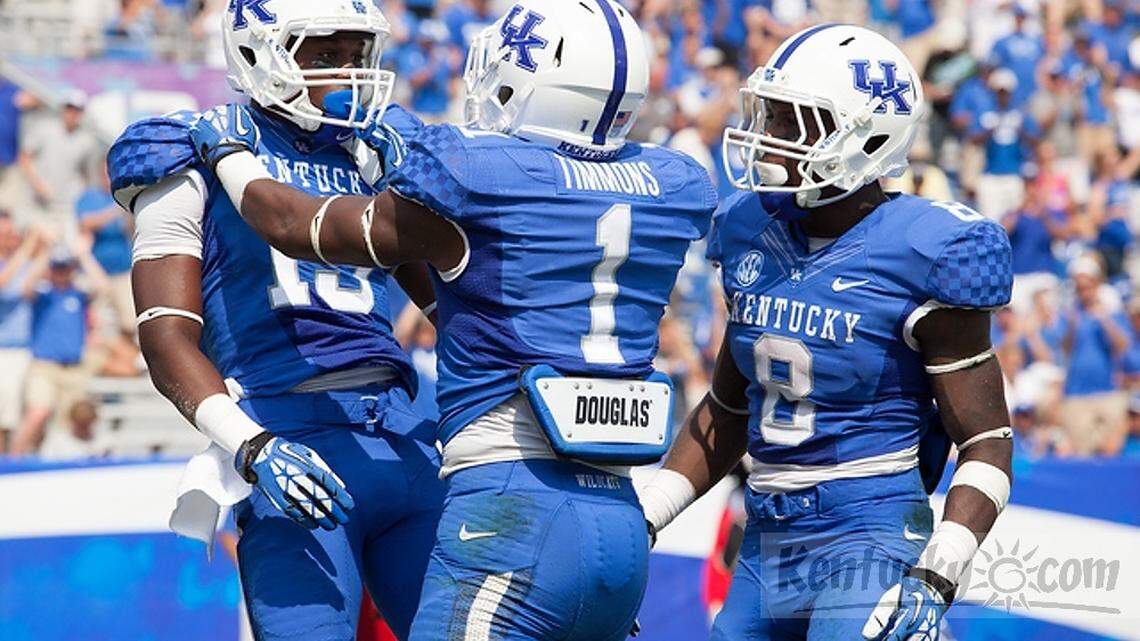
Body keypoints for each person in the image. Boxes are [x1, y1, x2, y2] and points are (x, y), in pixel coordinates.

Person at [189, 0, 718, 638]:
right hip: (620, 515)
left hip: (507, 504)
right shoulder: (677, 182)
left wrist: (226, 152)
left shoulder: (479, 175)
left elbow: (291, 226)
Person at [638, 25, 1014, 641]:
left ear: (864, 139)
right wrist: (647, 517)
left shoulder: (930, 250)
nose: (767, 140)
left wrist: (938, 571)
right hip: (765, 540)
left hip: (869, 531)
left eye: (791, 123)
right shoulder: (747, 228)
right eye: (769, 117)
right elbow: (729, 410)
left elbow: (987, 441)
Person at [106, 2, 444, 640]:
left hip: (406, 428)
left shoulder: (370, 154)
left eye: (355, 56)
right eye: (323, 57)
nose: (347, 76)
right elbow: (164, 335)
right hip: (290, 433)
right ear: (260, 55)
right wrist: (251, 445)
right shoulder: (188, 153)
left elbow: (455, 313)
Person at [10, 237, 107, 455]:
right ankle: (12, 461)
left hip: (73, 368)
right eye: (58, 267)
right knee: (38, 413)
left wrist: (83, 256)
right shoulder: (43, 295)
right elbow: (25, 286)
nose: (62, 272)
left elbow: (103, 286)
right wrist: (47, 253)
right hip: (44, 366)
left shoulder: (78, 295)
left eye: (65, 267)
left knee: (69, 424)